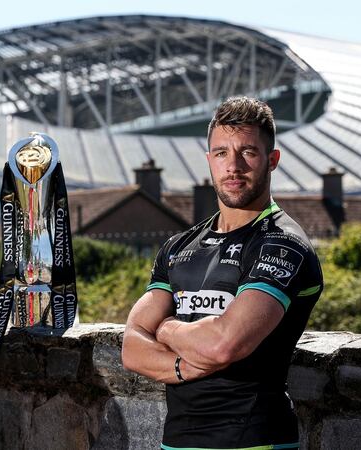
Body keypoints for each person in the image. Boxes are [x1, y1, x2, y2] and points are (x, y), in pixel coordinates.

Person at [121, 97, 323, 449]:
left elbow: (224, 344)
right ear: (209, 160)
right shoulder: (178, 246)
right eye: (221, 153)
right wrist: (184, 367)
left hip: (254, 440)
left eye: (248, 152)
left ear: (272, 160)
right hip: (177, 442)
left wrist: (166, 328)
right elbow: (132, 347)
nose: (233, 166)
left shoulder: (282, 244)